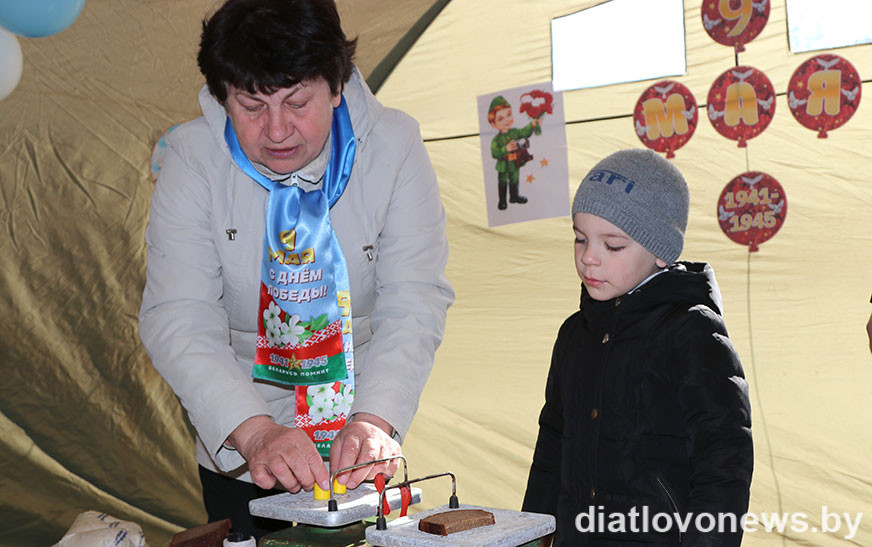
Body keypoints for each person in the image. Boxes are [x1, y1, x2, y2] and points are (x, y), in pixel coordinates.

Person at [138, 0, 453, 538]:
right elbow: (179, 315)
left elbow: (414, 299)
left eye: (297, 102)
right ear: (223, 96)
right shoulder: (192, 158)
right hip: (242, 441)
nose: (277, 129)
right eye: (251, 106)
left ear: (336, 86)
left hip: (358, 438)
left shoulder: (394, 146)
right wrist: (255, 431)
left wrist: (375, 419)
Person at [522, 149, 753, 545]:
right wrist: (530, 535)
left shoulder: (692, 332)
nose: (589, 258)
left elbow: (724, 460)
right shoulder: (574, 336)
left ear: (661, 251)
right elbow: (551, 449)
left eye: (612, 246)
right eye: (580, 238)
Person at [487, 96, 539, 210]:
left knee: (515, 178)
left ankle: (514, 196)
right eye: (500, 119)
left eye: (509, 115)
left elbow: (524, 132)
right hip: (503, 165)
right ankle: (502, 201)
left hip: (515, 162)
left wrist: (531, 125)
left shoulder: (514, 132)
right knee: (502, 181)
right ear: (493, 124)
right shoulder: (496, 139)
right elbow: (494, 153)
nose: (506, 120)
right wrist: (505, 149)